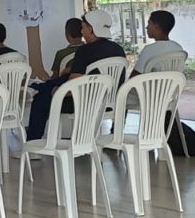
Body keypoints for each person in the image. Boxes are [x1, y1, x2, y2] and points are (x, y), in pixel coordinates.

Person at [23, 9, 126, 140]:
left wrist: (58, 91)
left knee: (42, 97)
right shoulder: (118, 49)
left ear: (91, 29)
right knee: (61, 79)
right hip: (110, 101)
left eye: (83, 28)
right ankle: (39, 87)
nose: (81, 32)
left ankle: (33, 140)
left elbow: (73, 85)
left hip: (84, 103)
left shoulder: (84, 51)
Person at [132, 10, 185, 77]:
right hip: (173, 83)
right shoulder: (178, 48)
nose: (147, 27)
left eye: (149, 23)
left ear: (156, 26)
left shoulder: (149, 50)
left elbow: (134, 76)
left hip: (152, 84)